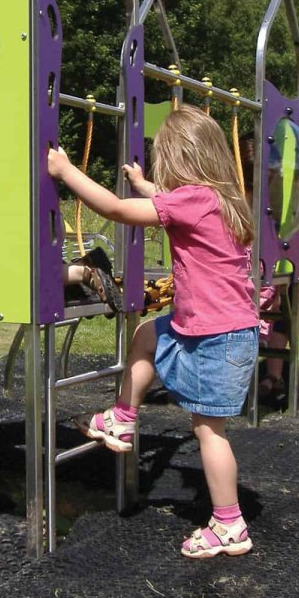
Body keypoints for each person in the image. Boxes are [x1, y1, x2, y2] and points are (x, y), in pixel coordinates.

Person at [47, 105, 258, 559]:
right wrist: (144, 184)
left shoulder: (193, 201)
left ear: (182, 160)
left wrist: (66, 171)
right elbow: (163, 200)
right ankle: (122, 417)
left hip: (215, 336)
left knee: (209, 431)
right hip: (223, 329)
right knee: (147, 334)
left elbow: (116, 209)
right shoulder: (224, 200)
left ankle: (229, 524)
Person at [0, 120, 122, 310]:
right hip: (47, 217)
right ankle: (75, 273)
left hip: (19, 226)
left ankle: (83, 273)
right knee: (30, 268)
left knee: (15, 278)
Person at [237, 133, 288, 400]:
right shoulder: (237, 197)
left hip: (262, 270)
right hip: (245, 273)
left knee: (282, 301)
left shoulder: (271, 200)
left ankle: (273, 375)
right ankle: (269, 374)